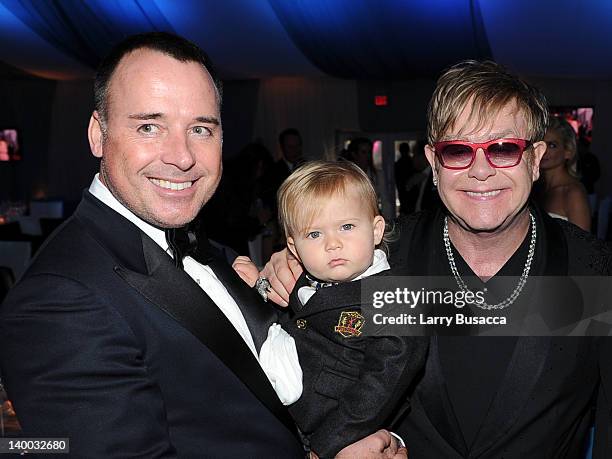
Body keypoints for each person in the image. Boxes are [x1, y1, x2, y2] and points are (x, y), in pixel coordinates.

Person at [0, 32, 405, 458]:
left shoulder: (203, 243)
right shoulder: (57, 302)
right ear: (98, 134)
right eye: (149, 126)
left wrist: (278, 286)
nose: (182, 156)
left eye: (200, 129)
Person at [259, 60, 612, 458]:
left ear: (534, 160)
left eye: (503, 148)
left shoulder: (593, 270)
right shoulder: (377, 256)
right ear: (433, 161)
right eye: (458, 150)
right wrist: (278, 274)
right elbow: (308, 366)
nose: (480, 170)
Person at [237, 161, 428, 458]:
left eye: (347, 227)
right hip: (281, 422)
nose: (333, 244)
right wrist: (254, 288)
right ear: (294, 247)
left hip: (339, 433)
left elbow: (381, 386)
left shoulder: (394, 298)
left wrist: (326, 445)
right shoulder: (308, 276)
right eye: (315, 234)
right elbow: (289, 316)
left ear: (376, 230)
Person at [534, 116, 591, 231]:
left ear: (568, 152)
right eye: (542, 144)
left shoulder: (573, 192)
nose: (544, 151)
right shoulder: (537, 188)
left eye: (552, 145)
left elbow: (583, 244)